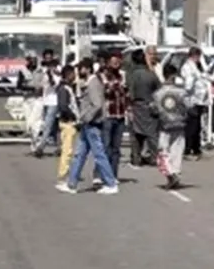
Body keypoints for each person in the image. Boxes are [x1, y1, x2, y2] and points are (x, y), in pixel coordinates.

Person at [58, 58, 120, 195]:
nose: (79, 71)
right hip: (88, 124)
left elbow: (97, 104)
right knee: (80, 154)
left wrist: (87, 117)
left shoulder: (93, 83)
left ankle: (110, 183)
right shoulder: (92, 82)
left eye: (81, 68)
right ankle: (71, 184)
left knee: (99, 154)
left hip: (92, 124)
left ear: (87, 68)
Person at [154, 63, 189, 190]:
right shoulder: (181, 92)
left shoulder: (158, 93)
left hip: (165, 125)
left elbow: (153, 109)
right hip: (179, 124)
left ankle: (170, 175)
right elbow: (189, 105)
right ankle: (174, 173)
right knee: (177, 151)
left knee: (163, 151)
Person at [125, 48, 161, 168]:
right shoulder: (150, 74)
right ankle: (157, 157)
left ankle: (136, 158)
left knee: (135, 134)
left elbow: (129, 92)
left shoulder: (131, 75)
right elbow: (158, 87)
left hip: (136, 105)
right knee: (152, 134)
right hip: (150, 105)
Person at [178, 47, 211, 160]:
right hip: (191, 100)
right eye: (198, 56)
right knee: (191, 126)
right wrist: (193, 79)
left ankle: (196, 148)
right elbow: (188, 85)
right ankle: (188, 150)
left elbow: (205, 78)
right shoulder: (187, 67)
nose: (199, 58)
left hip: (200, 100)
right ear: (193, 55)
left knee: (197, 126)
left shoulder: (198, 66)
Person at [53, 64, 80, 185]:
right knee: (67, 150)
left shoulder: (68, 88)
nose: (75, 76)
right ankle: (63, 175)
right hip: (67, 122)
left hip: (70, 122)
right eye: (73, 73)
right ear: (68, 74)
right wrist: (72, 116)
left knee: (69, 150)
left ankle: (67, 172)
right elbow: (63, 106)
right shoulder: (63, 89)